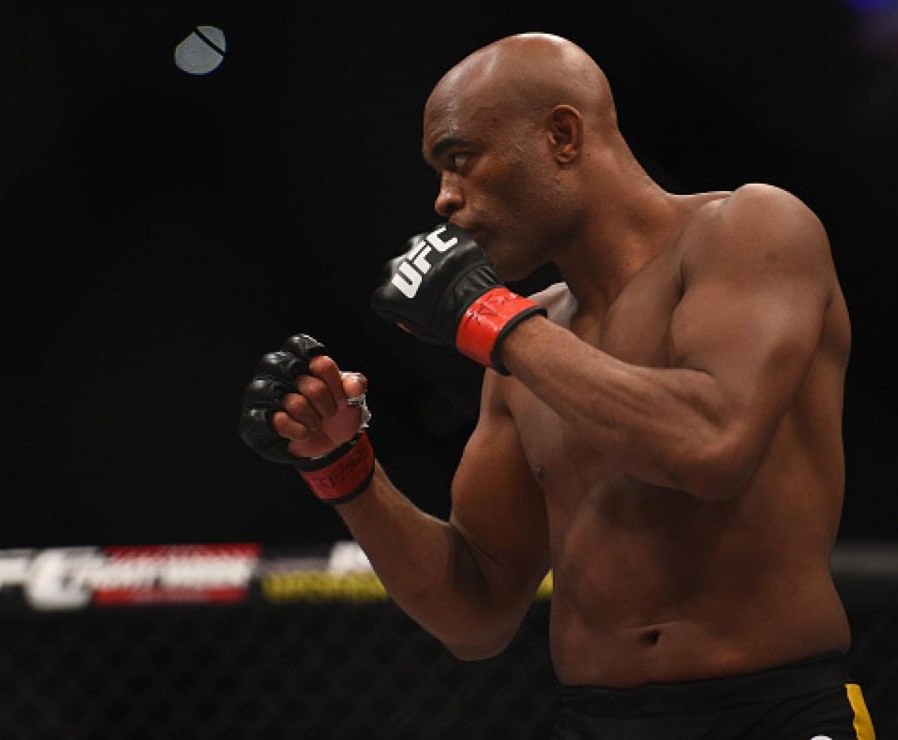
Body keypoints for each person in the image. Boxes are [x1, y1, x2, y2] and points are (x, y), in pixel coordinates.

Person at [239, 32, 875, 738]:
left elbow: (709, 444)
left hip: (777, 713)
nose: (444, 200)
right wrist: (343, 466)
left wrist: (493, 322)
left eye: (460, 160)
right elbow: (475, 614)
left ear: (562, 137)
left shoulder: (750, 229)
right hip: (597, 722)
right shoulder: (527, 345)